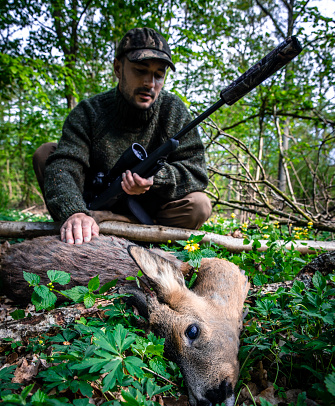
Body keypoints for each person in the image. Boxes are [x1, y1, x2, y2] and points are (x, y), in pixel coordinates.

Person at [33, 27, 212, 244]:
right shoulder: (89, 111)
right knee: (46, 153)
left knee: (199, 205)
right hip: (95, 202)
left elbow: (197, 172)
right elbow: (67, 163)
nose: (150, 83)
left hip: (150, 210)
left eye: (158, 74)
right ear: (118, 68)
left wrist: (154, 177)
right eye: (140, 70)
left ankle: (124, 225)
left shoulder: (174, 110)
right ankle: (83, 222)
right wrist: (74, 211)